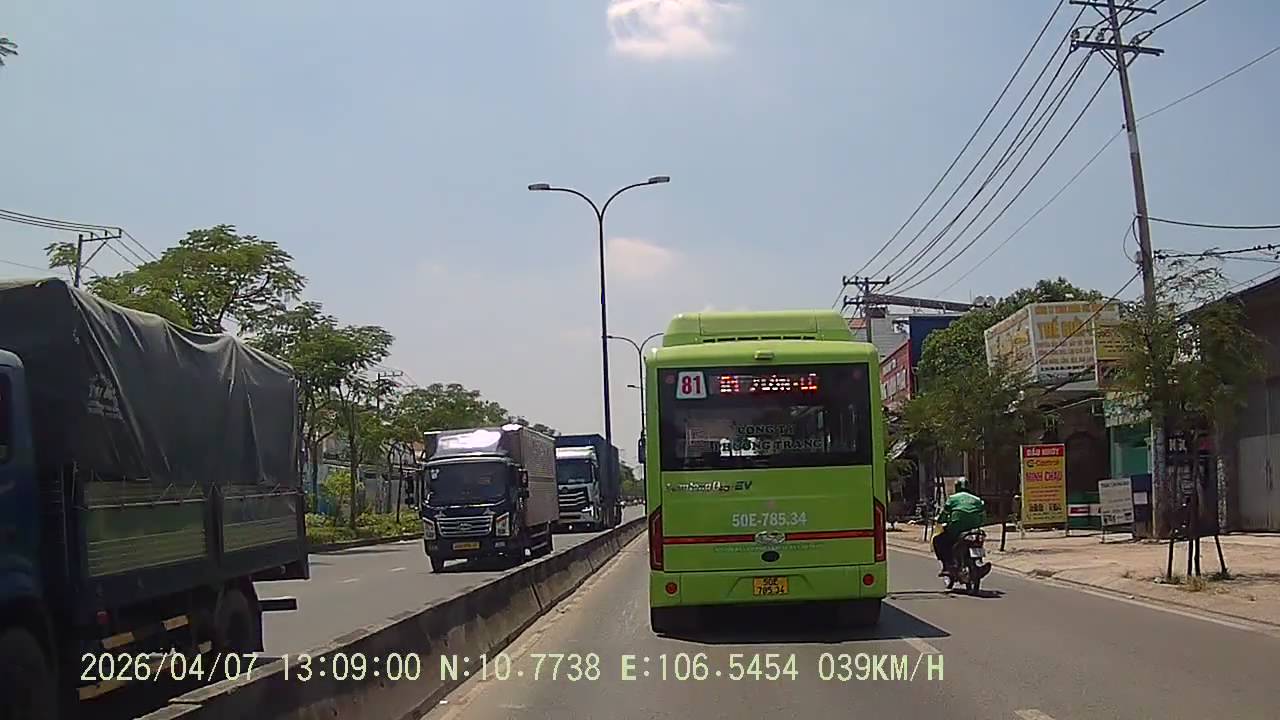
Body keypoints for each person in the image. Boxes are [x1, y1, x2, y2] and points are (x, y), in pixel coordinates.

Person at [932, 479, 986, 575]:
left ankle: (946, 566)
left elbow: (944, 514)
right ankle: (978, 561)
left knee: (939, 540)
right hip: (974, 529)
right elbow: (983, 517)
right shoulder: (977, 499)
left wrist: (939, 520)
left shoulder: (952, 499)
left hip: (957, 529)